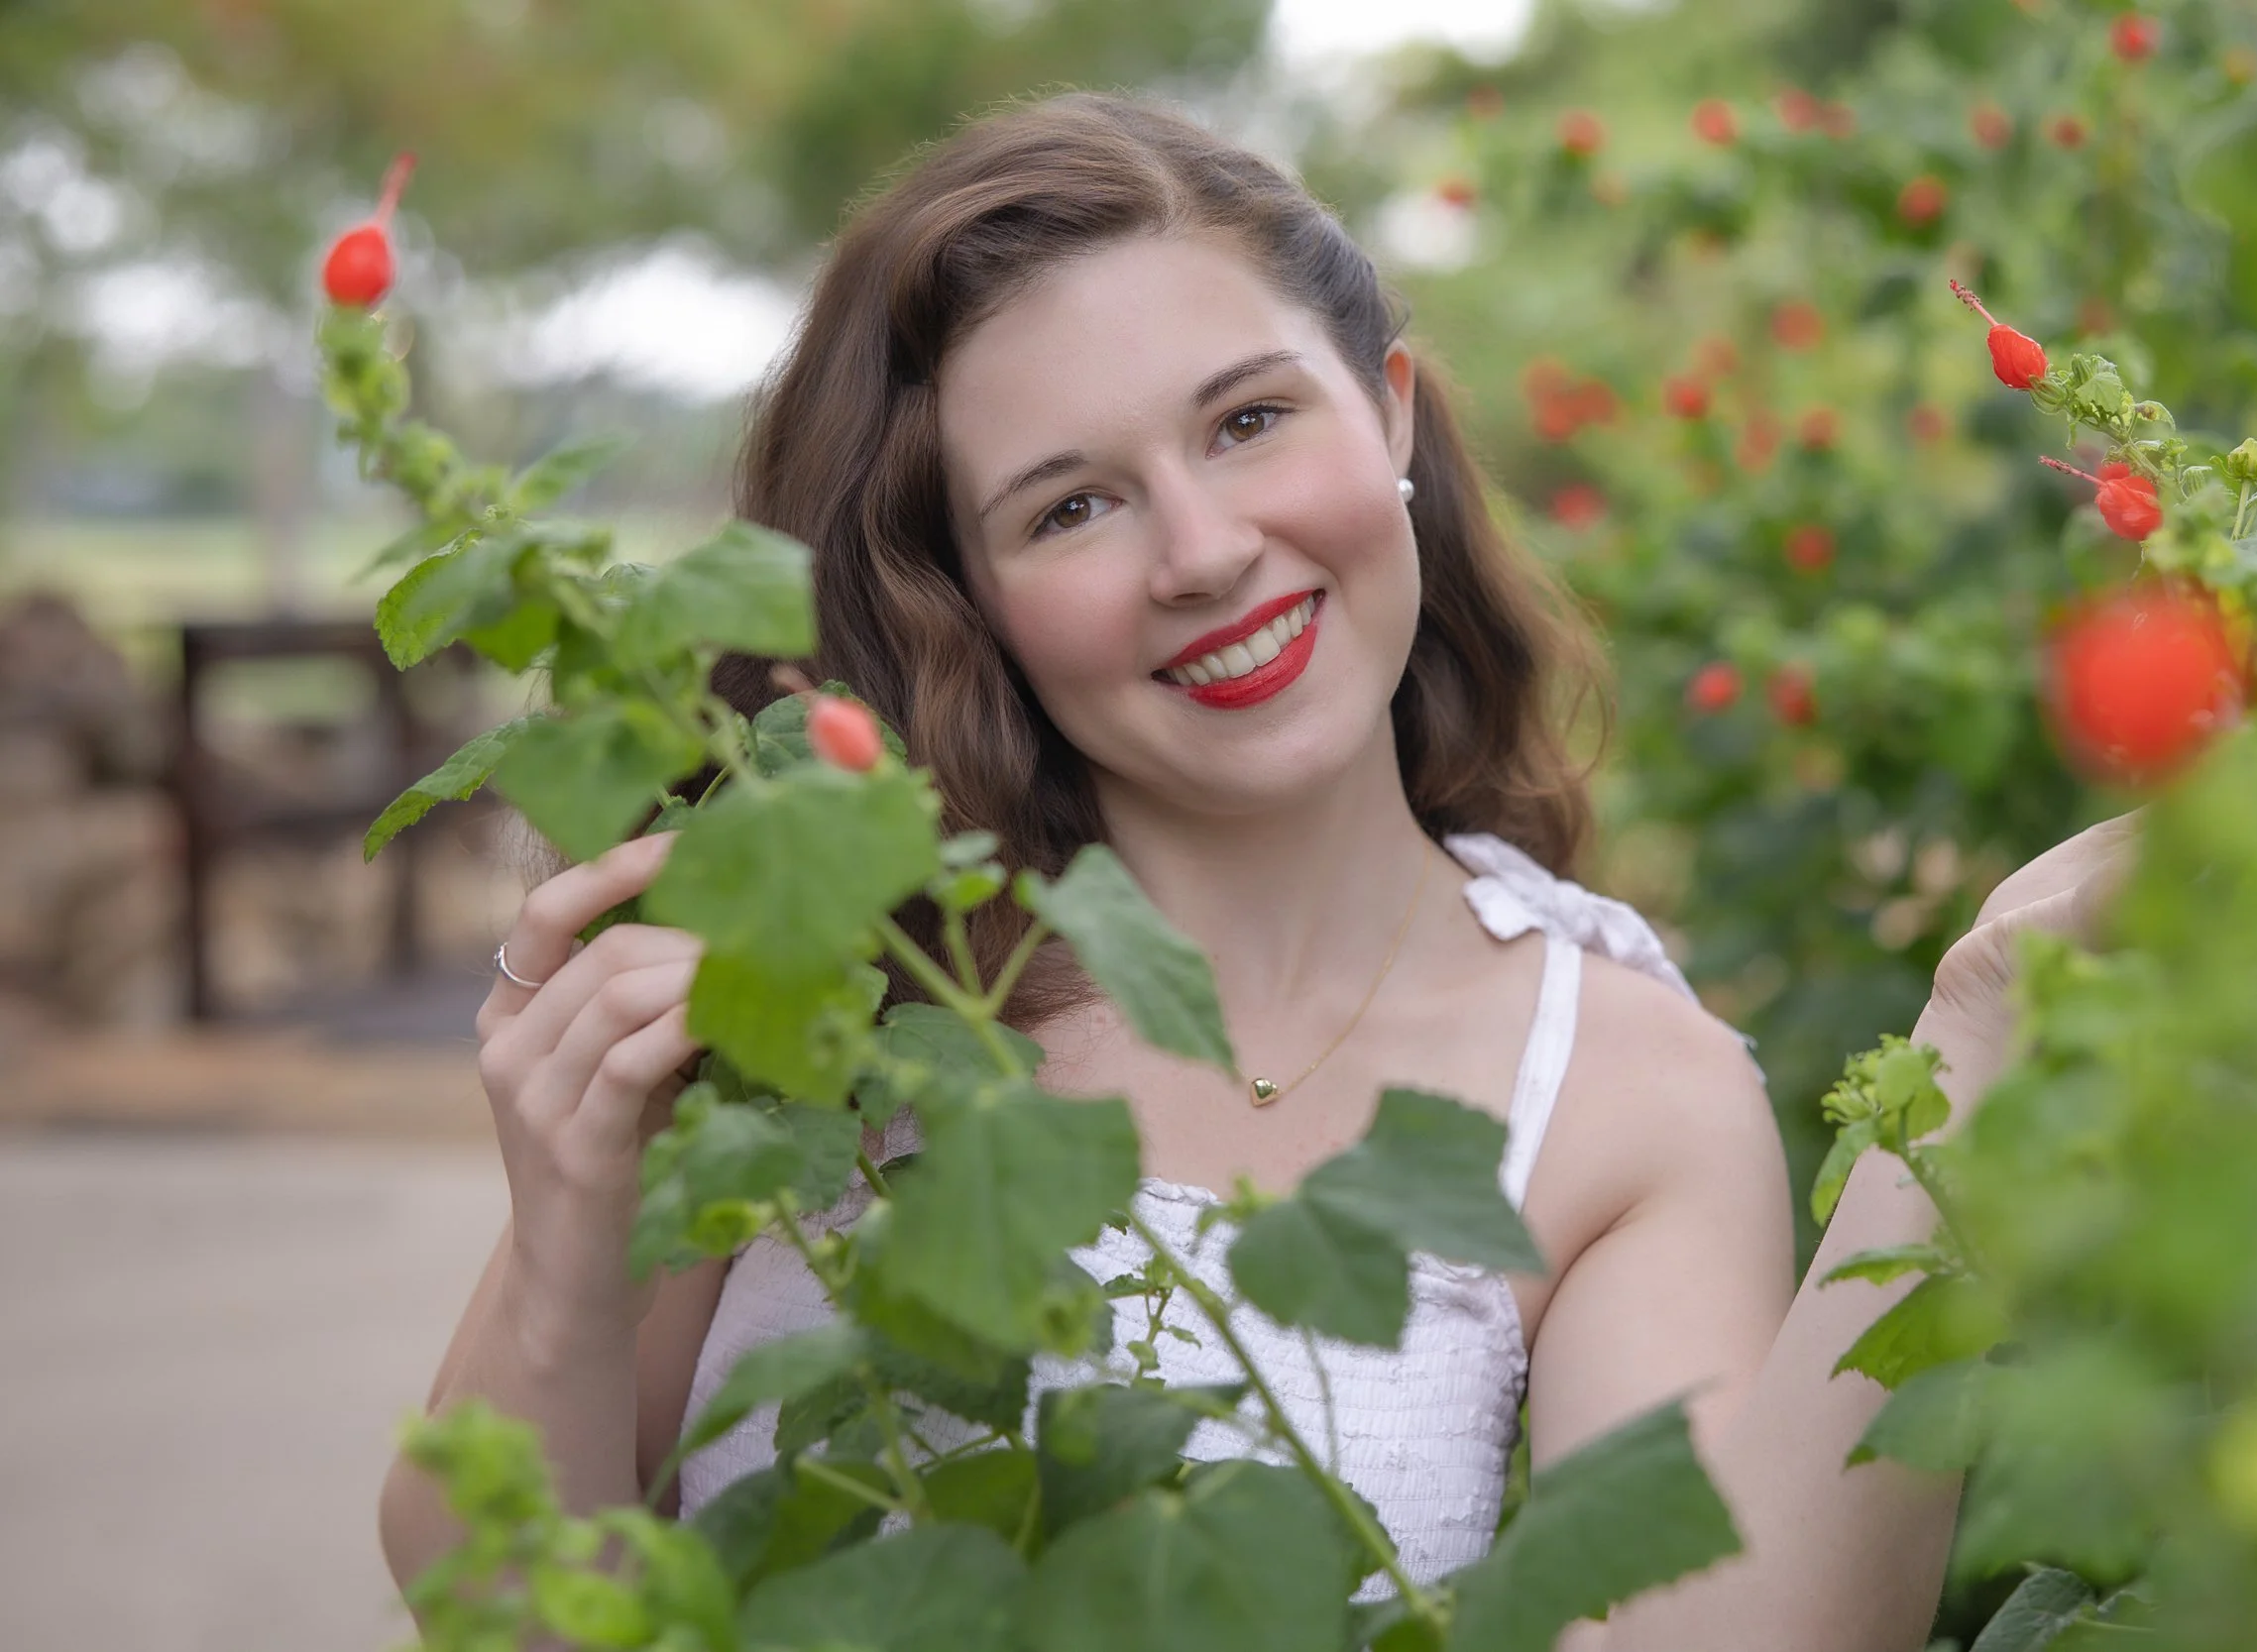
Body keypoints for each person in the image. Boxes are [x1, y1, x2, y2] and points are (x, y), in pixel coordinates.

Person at [379, 92, 2133, 1648]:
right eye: (1070, 506)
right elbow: (496, 1596)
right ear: (963, 597)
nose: (1207, 552)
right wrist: (568, 1233)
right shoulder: (835, 984)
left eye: (1245, 422)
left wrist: (1969, 1070)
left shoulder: (1616, 1082)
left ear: (1383, 414)